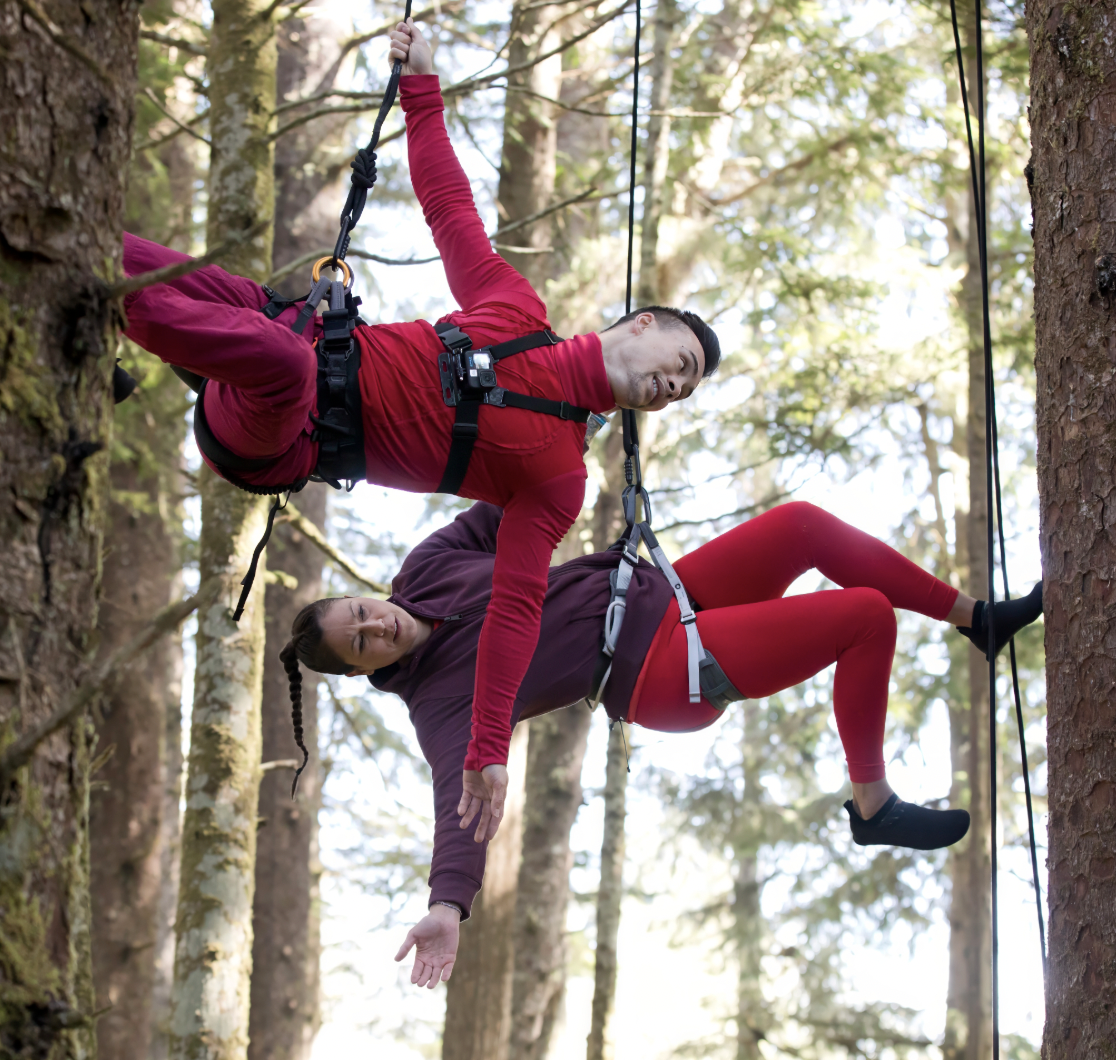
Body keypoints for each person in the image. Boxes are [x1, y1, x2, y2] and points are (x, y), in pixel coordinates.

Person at [119, 21, 719, 787]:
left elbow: (514, 610)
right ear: (643, 324)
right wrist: (422, 82)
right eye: (680, 363)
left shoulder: (558, 480)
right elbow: (447, 206)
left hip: (272, 432)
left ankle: (91, 297)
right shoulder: (514, 311)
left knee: (279, 362)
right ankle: (82, 251)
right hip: (278, 334)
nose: (674, 386)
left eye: (684, 390)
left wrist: (489, 748)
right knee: (177, 275)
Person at [278, 500, 1043, 988]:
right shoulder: (439, 706)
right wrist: (449, 904)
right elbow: (460, 805)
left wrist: (581, 401)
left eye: (360, 612)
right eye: (362, 644)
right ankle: (874, 805)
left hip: (655, 592)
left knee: (803, 525)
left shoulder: (426, 569)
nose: (376, 626)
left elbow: (513, 495)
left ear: (364, 593)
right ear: (363, 670)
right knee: (865, 617)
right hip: (655, 670)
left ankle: (978, 618)